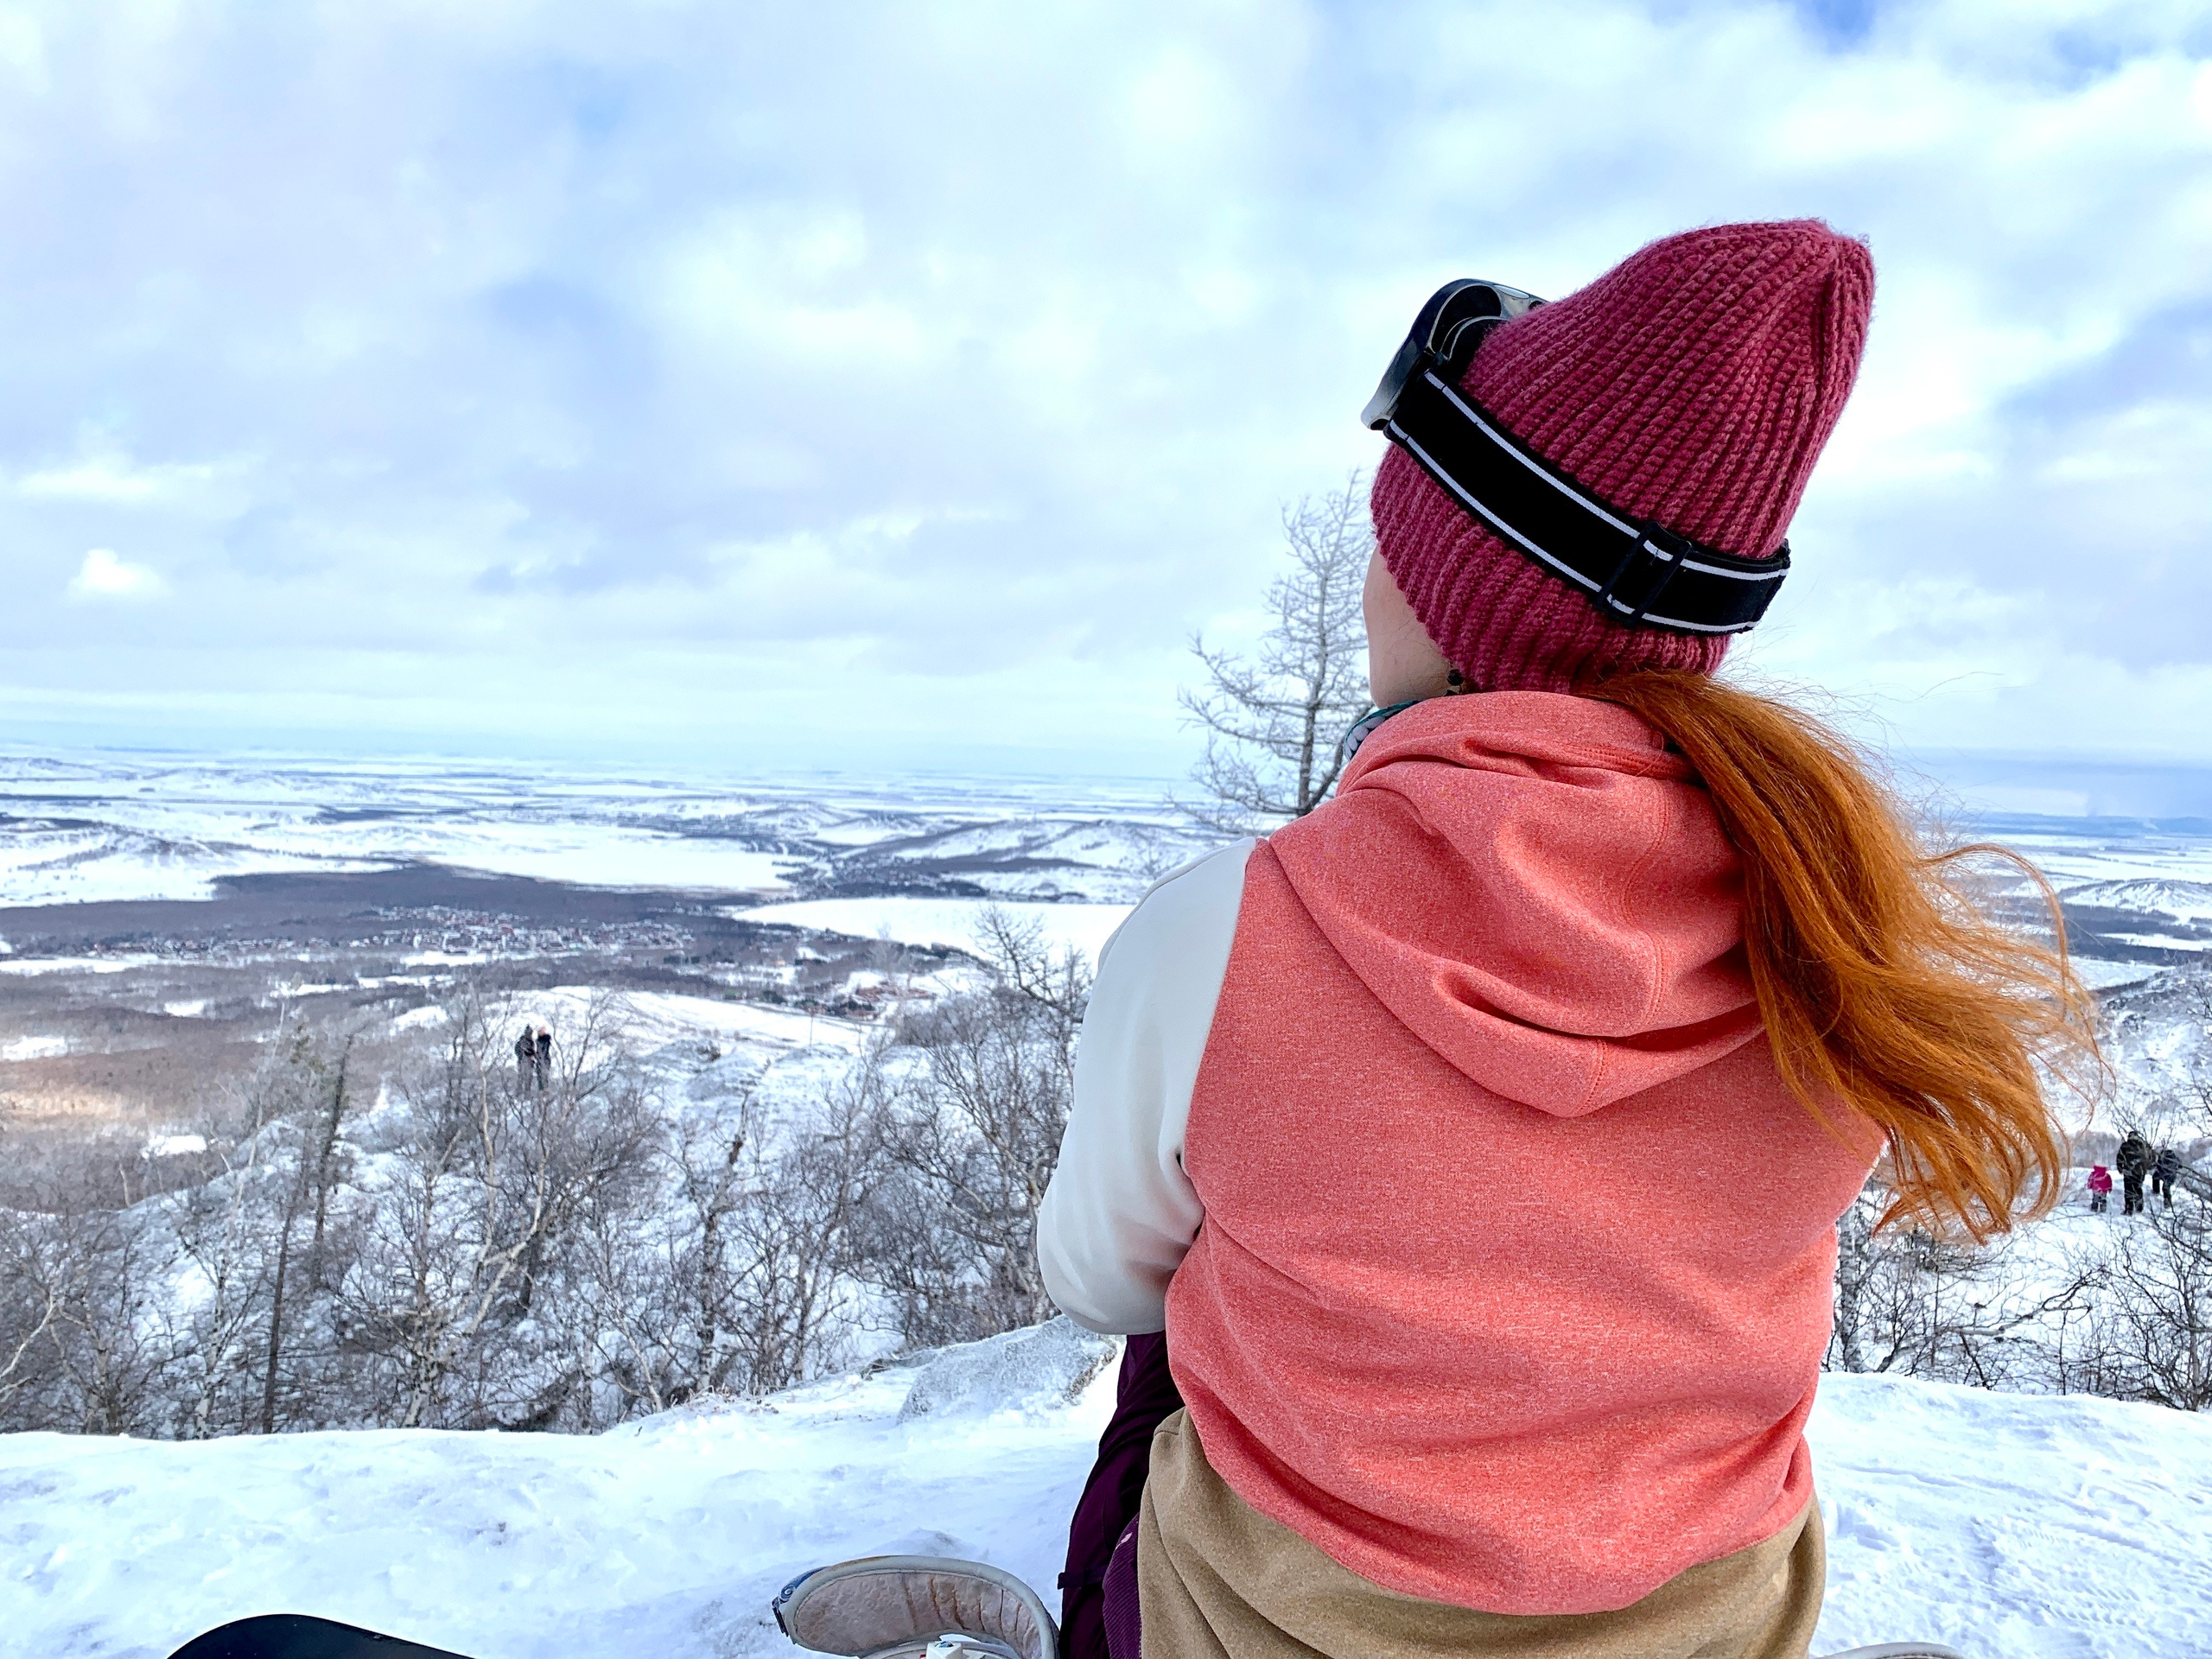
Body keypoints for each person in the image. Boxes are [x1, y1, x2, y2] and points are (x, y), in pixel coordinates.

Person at [1034, 221, 2095, 1659]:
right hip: (1710, 1622)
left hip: (1282, 1624)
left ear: (1438, 586)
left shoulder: (1224, 930)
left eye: (1387, 536)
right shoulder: (1828, 930)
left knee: (1172, 1345)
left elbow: (1103, 1278)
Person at [2117, 1128, 2153, 1216]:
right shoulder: (2143, 1146)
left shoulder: (2125, 1145)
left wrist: (2120, 1168)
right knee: (2138, 1188)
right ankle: (2139, 1207)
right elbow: (2150, 1158)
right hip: (2141, 1171)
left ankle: (2129, 1210)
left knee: (2128, 1190)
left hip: (2128, 1171)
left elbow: (2120, 1157)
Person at [2152, 1143, 2182, 1208]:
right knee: (2166, 1187)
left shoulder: (2162, 1156)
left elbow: (2158, 1165)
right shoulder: (2175, 1157)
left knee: (2155, 1177)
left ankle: (2156, 1192)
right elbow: (2180, 1166)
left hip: (2163, 1173)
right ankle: (2167, 1202)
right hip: (2171, 1175)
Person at [514, 1025, 536, 1091]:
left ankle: (527, 1095)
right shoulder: (523, 1041)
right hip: (523, 1062)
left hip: (529, 1063)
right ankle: (519, 1094)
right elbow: (524, 1050)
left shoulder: (531, 1041)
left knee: (529, 1079)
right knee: (522, 1078)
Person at [534, 1025, 553, 1092]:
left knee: (544, 1075)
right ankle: (541, 1090)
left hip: (545, 1059)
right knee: (539, 1075)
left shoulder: (546, 1039)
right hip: (539, 1059)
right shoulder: (538, 1040)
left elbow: (544, 1050)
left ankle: (545, 1089)